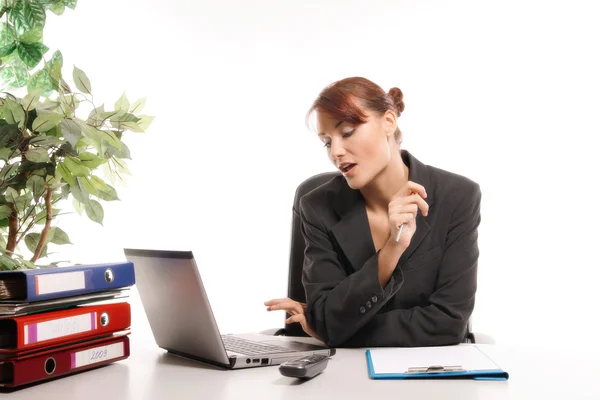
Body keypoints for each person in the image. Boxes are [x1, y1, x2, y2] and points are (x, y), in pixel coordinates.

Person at [265, 77, 481, 348]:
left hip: (428, 377)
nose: (336, 152)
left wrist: (333, 331)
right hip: (340, 377)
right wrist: (392, 249)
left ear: (388, 122)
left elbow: (448, 323)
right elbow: (325, 317)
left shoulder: (458, 196)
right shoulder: (317, 206)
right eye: (326, 142)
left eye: (346, 132)